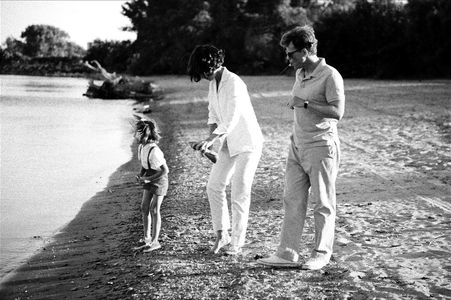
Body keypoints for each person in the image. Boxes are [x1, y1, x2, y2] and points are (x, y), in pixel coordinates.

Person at [257, 25, 345, 270]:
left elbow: (338, 112)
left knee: (323, 203)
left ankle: (321, 254)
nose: (288, 59)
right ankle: (287, 254)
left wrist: (305, 103)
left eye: (291, 54)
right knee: (292, 200)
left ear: (306, 51)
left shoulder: (330, 75)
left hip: (321, 147)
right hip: (296, 146)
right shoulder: (300, 73)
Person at [187, 44, 264, 255]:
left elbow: (231, 119)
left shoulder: (234, 83)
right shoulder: (214, 83)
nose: (203, 76)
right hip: (228, 143)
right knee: (214, 186)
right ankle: (222, 234)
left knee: (239, 191)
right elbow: (213, 114)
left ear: (212, 65)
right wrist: (208, 143)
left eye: (203, 71)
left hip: (248, 143)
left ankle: (237, 243)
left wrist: (211, 139)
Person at [133, 117, 169, 253]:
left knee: (154, 209)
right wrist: (141, 175)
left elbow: (165, 170)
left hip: (160, 180)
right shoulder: (141, 147)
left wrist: (148, 179)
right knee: (144, 207)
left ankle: (155, 242)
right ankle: (147, 239)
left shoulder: (154, 151)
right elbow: (144, 165)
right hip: (149, 177)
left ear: (144, 134)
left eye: (137, 132)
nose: (134, 135)